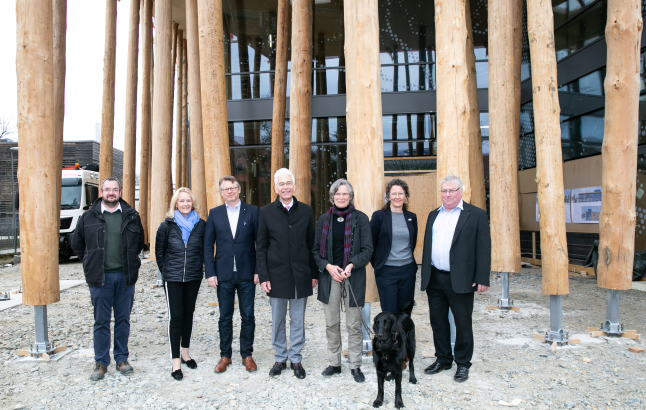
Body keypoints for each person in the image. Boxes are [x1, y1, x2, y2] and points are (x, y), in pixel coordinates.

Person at [71, 178, 144, 381]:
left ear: (120, 192)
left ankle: (122, 359)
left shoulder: (131, 216)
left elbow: (138, 243)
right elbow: (77, 243)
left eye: (115, 189)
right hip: (99, 279)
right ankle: (101, 362)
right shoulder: (88, 217)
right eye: (107, 190)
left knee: (123, 320)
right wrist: (89, 260)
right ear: (101, 192)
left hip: (125, 277)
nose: (111, 193)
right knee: (101, 321)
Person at [420, 175, 491, 383]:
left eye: (452, 190)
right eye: (444, 191)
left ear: (461, 191)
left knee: (462, 322)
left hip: (462, 279)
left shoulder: (476, 215)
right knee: (438, 321)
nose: (448, 194)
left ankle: (463, 363)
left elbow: (483, 248)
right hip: (435, 278)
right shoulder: (434, 215)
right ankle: (443, 359)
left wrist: (482, 277)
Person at [256, 168, 318, 379]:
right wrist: (263, 276)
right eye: (281, 184)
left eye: (288, 183)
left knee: (298, 319)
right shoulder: (265, 212)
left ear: (293, 186)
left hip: (301, 274)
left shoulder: (306, 211)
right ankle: (280, 358)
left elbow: (312, 245)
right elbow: (261, 248)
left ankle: (296, 359)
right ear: (275, 188)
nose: (285, 187)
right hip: (276, 276)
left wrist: (314, 273)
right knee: (278, 320)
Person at [313, 179, 373, 383]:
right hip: (330, 278)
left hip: (352, 276)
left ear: (350, 196)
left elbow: (367, 250)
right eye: (337, 194)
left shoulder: (361, 219)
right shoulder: (323, 220)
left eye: (345, 194)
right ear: (332, 197)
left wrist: (351, 265)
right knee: (332, 323)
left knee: (354, 324)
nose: (341, 197)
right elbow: (315, 251)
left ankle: (355, 365)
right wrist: (328, 267)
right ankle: (334, 363)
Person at [204, 176, 259, 373]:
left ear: (238, 189)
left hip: (247, 273)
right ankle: (225, 355)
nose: (230, 191)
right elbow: (208, 245)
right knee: (224, 317)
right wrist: (210, 272)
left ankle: (247, 354)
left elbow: (260, 244)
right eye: (226, 189)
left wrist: (258, 270)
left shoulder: (252, 211)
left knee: (248, 316)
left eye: (233, 188)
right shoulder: (215, 214)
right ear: (221, 192)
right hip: (223, 273)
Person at [155, 188, 206, 381]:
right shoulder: (166, 226)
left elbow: (204, 250)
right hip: (173, 278)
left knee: (188, 315)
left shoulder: (201, 225)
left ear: (192, 203)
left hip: (193, 277)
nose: (185, 204)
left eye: (188, 201)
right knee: (176, 317)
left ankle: (186, 353)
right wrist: (168, 272)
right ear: (175, 204)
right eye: (181, 201)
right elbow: (160, 253)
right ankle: (176, 361)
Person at [370, 179, 418, 314]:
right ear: (388, 196)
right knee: (389, 313)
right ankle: (389, 336)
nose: (397, 197)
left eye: (401, 193)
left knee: (405, 312)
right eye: (394, 193)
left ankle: (403, 336)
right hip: (386, 272)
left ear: (406, 196)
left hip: (408, 270)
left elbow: (412, 242)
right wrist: (378, 263)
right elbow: (370, 242)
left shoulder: (411, 217)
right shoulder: (379, 216)